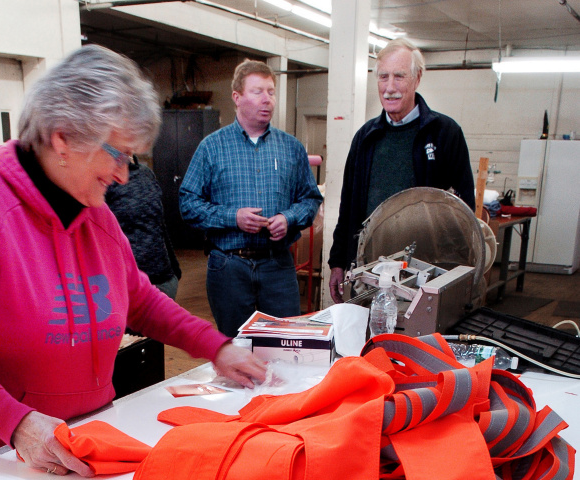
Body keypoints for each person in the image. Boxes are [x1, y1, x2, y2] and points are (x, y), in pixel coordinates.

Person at [0, 45, 265, 478]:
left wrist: (217, 346)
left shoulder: (91, 210)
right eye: (116, 153)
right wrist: (14, 421)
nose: (123, 173)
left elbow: (138, 299)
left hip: (81, 443)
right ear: (62, 137)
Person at [178, 59, 323, 337]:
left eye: (271, 91)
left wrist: (288, 218)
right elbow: (188, 204)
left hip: (277, 266)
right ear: (237, 97)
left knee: (286, 344)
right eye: (258, 91)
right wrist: (233, 218)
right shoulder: (211, 147)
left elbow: (310, 199)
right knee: (235, 347)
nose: (267, 99)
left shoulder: (291, 148)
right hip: (229, 267)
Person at [328, 38, 475, 304]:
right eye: (383, 77)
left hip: (426, 275)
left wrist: (455, 277)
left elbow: (463, 212)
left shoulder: (445, 133)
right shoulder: (365, 138)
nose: (390, 87)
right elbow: (348, 206)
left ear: (417, 79)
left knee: (418, 342)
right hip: (370, 273)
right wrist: (338, 262)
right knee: (369, 342)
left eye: (399, 76)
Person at [105, 157, 181, 300]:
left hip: (163, 280)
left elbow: (159, 223)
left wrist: (174, 270)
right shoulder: (105, 178)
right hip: (128, 285)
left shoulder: (146, 173)